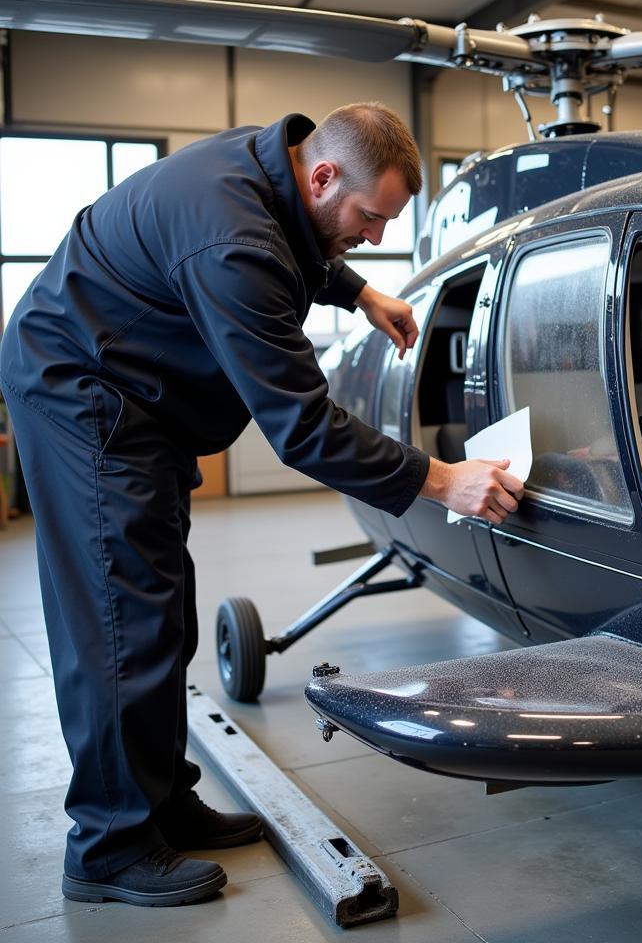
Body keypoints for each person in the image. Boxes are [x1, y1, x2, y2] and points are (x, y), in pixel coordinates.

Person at [0, 103, 523, 908]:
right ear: (323, 175)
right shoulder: (235, 241)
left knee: (160, 606)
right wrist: (442, 480)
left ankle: (161, 801)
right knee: (119, 618)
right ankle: (109, 845)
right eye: (370, 219)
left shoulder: (273, 174)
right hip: (82, 389)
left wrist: (357, 290)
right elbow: (304, 429)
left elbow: (299, 231)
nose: (376, 235)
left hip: (134, 388)